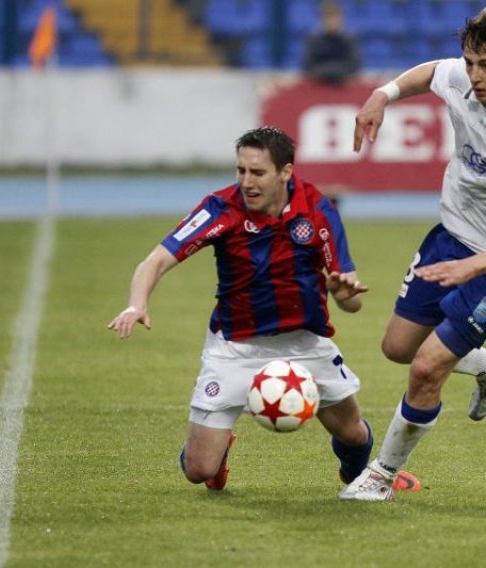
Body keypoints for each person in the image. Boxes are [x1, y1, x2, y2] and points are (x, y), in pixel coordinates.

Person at [107, 127, 418, 494]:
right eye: (241, 171)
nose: (246, 182)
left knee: (352, 433)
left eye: (257, 173)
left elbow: (352, 302)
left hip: (305, 343)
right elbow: (157, 260)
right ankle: (217, 453)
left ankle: (359, 476)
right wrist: (136, 302)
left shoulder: (317, 210)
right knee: (198, 470)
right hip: (235, 346)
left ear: (285, 172)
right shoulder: (220, 209)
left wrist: (340, 291)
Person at [338, 7, 486, 501]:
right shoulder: (461, 79)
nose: (474, 75)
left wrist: (476, 266)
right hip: (450, 236)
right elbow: (427, 74)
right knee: (397, 349)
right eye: (470, 63)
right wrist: (383, 95)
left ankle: (381, 475)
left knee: (426, 368)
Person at [302, 1, 360, 86]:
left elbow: (354, 65)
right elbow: (307, 65)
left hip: (344, 85)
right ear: (322, 19)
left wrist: (336, 73)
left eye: (334, 18)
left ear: (341, 18)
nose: (331, 22)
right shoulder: (314, 39)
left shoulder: (350, 39)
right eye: (328, 18)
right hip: (318, 85)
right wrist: (324, 73)